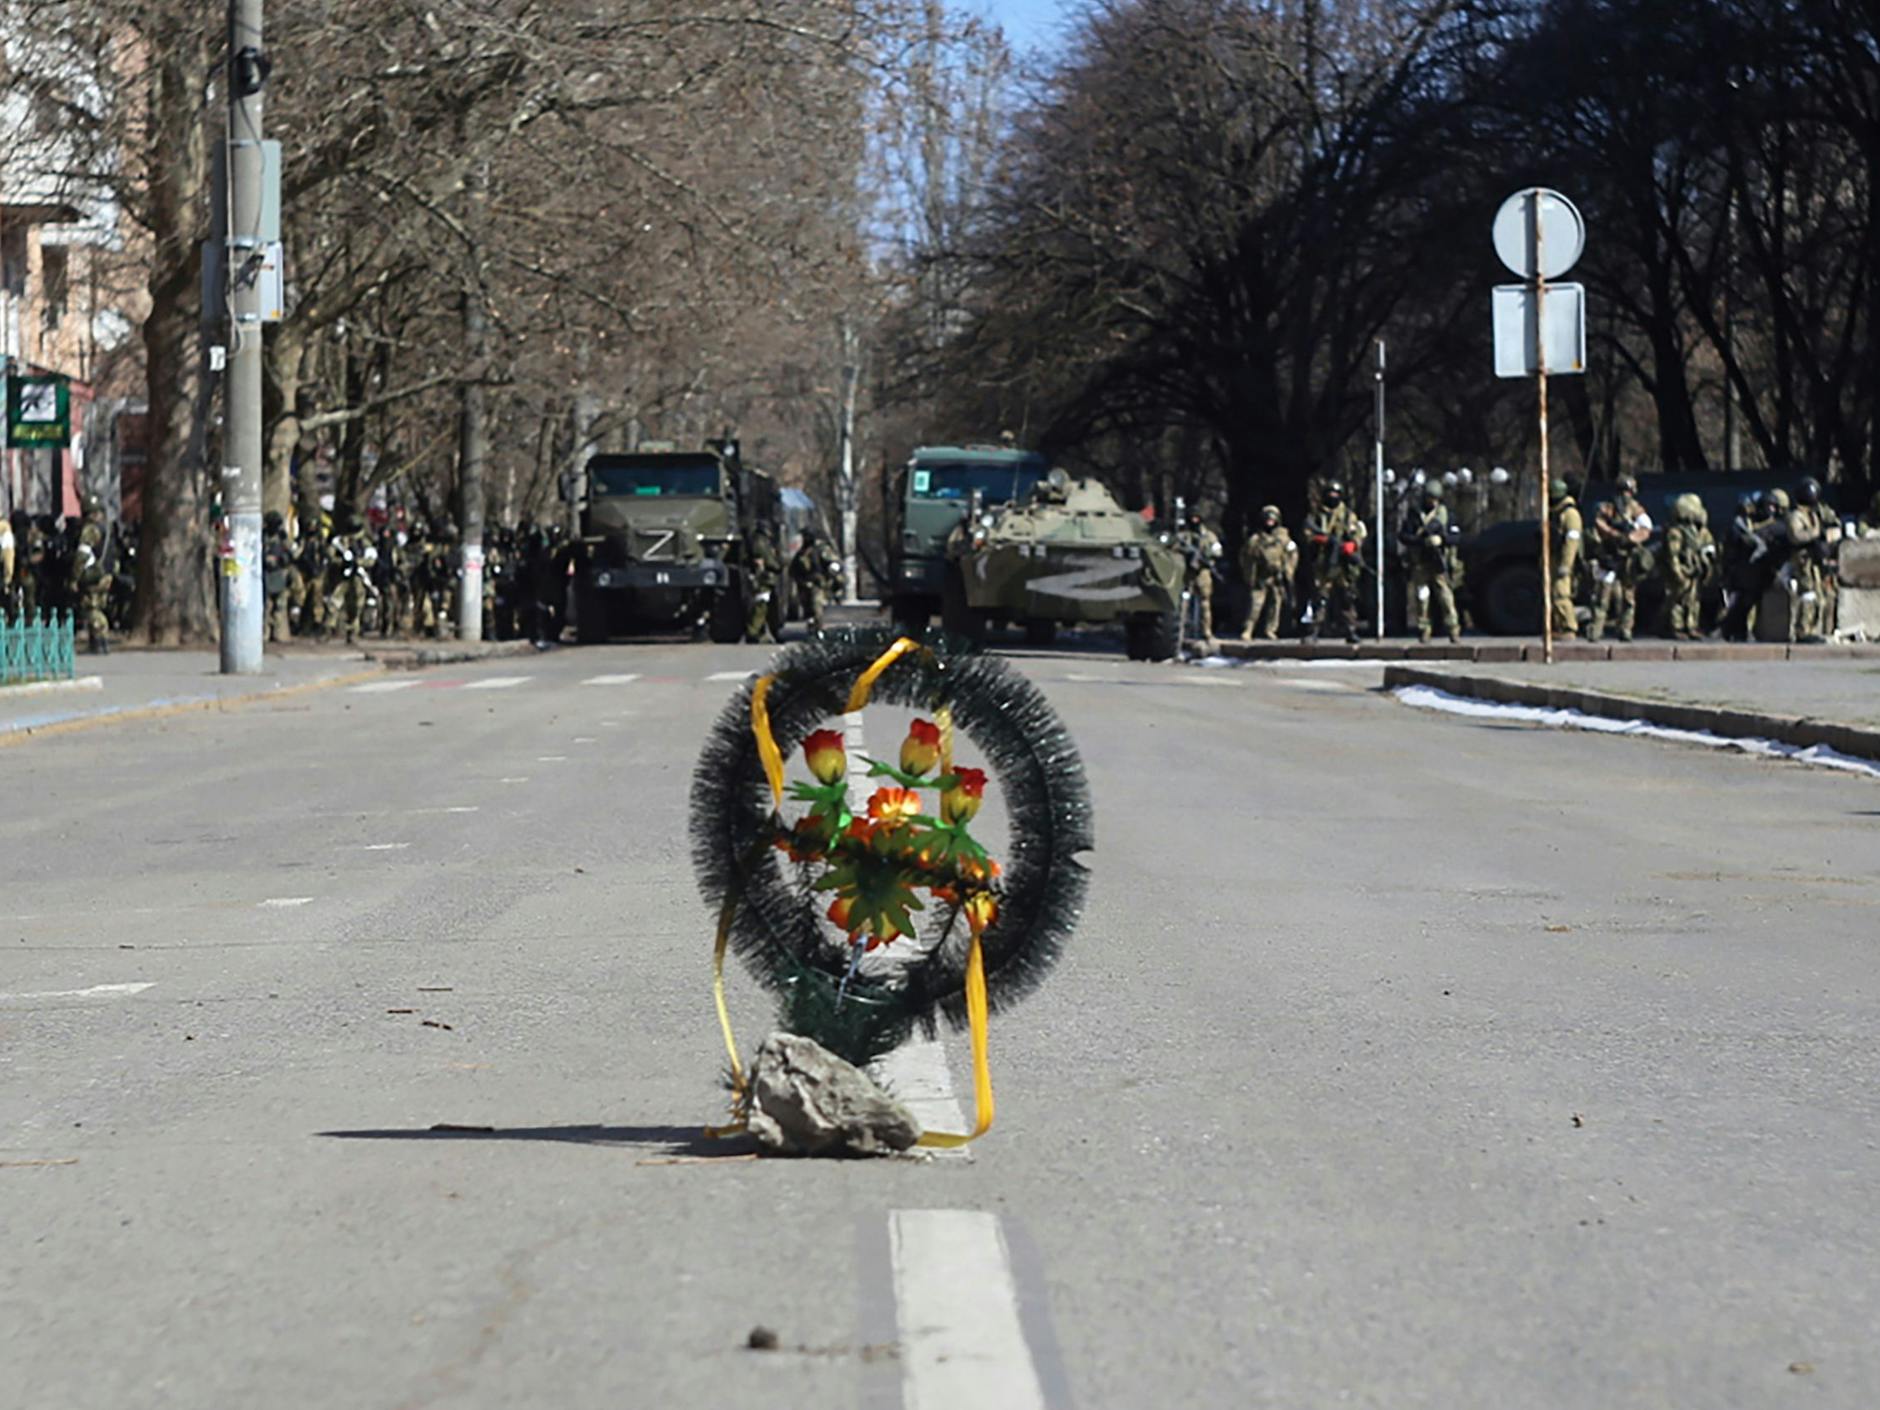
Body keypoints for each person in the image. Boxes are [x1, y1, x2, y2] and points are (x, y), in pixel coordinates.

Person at [1303, 480, 1367, 644]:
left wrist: (1352, 545)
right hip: (1324, 562)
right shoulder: (1317, 514)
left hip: (1343, 564)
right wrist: (1323, 540)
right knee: (1320, 598)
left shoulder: (1347, 515)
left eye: (1336, 494)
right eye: (1330, 493)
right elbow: (1308, 533)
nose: (1333, 496)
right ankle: (1314, 630)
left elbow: (1358, 533)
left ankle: (1350, 630)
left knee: (1347, 598)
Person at [1399, 481, 1460, 643]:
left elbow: (1457, 537)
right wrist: (1421, 541)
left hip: (1439, 563)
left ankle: (1453, 629)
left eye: (1435, 498)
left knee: (1446, 597)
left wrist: (1442, 539)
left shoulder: (1446, 515)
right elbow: (1404, 536)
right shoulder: (1415, 515)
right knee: (1422, 597)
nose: (1432, 502)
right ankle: (1424, 629)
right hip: (1420, 562)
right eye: (1429, 498)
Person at [1237, 504, 1296, 641]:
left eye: (1273, 519)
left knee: (1275, 605)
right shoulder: (1255, 539)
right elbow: (1246, 557)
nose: (1270, 522)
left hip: (1277, 576)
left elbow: (1292, 555)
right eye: (1267, 519)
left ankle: (1271, 630)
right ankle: (1248, 629)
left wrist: (1288, 571)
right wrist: (1250, 575)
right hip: (1261, 576)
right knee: (1255, 605)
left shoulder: (1284, 539)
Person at [1663, 493, 1714, 639]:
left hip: (1696, 569)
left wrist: (1707, 562)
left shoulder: (1699, 531)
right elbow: (1673, 554)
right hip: (1684, 569)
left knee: (1693, 599)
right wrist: (1677, 571)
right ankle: (1677, 627)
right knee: (1678, 599)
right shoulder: (1676, 532)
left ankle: (1691, 625)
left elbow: (1708, 545)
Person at [1786, 477, 1830, 643]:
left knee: (1818, 595)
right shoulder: (1795, 515)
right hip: (1803, 560)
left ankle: (1812, 628)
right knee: (1808, 593)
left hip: (1814, 560)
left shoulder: (1814, 513)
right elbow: (1796, 535)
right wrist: (1815, 534)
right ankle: (1802, 631)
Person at [68, 492, 112, 652]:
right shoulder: (106, 528)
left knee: (92, 609)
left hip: (93, 575)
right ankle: (99, 641)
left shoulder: (90, 530)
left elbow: (82, 554)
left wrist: (74, 577)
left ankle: (99, 640)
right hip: (106, 574)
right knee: (99, 607)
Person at [1180, 503, 1224, 650]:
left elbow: (1218, 551)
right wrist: (1187, 553)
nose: (1194, 520)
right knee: (1183, 604)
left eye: (1197, 517)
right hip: (1187, 573)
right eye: (1192, 517)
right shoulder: (1183, 536)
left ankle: (1207, 632)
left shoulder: (1209, 536)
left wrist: (1207, 555)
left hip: (1203, 573)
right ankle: (1181, 633)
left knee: (1205, 604)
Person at [789, 526, 843, 635]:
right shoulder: (802, 552)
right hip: (804, 584)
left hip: (818, 585)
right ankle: (812, 629)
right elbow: (793, 569)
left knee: (816, 608)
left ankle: (818, 631)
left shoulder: (821, 549)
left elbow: (833, 562)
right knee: (808, 610)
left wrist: (833, 569)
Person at [1546, 477, 1582, 638]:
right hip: (1554, 559)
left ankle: (1569, 628)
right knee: (1552, 594)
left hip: (1563, 561)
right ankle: (1558, 626)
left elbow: (1572, 542)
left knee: (1561, 594)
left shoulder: (1570, 514)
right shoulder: (1555, 513)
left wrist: (1566, 564)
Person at [744, 527, 781, 643]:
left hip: (766, 579)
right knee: (761, 607)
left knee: (769, 607)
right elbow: (767, 560)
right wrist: (778, 566)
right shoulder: (760, 542)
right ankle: (753, 633)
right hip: (763, 579)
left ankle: (764, 633)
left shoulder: (760, 541)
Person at [262, 511, 294, 642]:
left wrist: (280, 559)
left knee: (280, 606)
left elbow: (290, 554)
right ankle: (265, 633)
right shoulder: (262, 536)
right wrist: (266, 558)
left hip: (280, 573)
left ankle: (279, 633)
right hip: (266, 574)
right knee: (267, 606)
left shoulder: (282, 537)